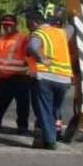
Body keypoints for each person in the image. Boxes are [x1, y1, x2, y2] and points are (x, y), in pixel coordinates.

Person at [26, 12, 73, 150]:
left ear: (34, 22)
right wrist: (72, 15)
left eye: (28, 23)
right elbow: (72, 28)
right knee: (54, 109)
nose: (28, 26)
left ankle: (50, 140)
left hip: (45, 77)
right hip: (64, 78)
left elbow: (32, 48)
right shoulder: (62, 33)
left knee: (45, 110)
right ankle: (48, 136)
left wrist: (41, 59)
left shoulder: (38, 33)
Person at [0, 14, 32, 134]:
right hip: (4, 77)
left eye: (10, 25)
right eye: (5, 25)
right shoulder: (0, 40)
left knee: (22, 104)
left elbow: (30, 55)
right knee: (0, 102)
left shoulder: (23, 39)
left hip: (20, 77)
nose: (7, 28)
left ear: (16, 25)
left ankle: (22, 126)